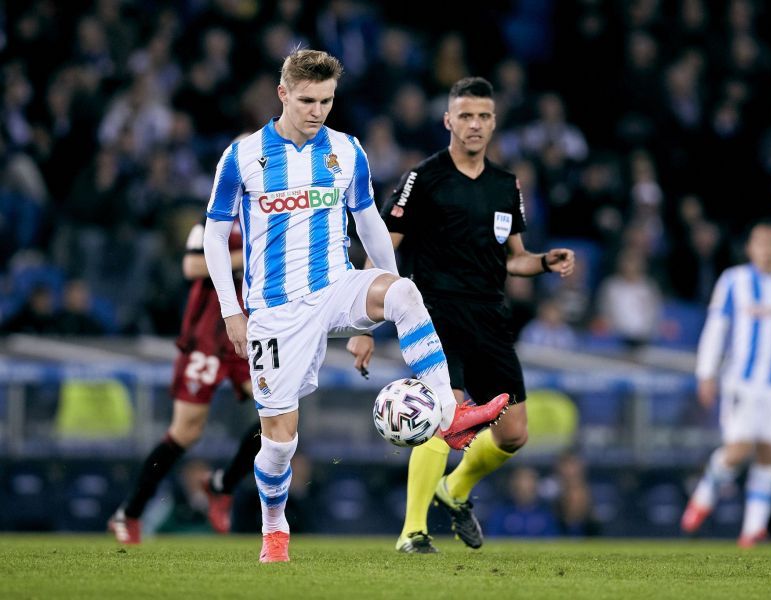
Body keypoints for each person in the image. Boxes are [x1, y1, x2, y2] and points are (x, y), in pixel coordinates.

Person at [202, 50, 509, 564]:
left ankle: (450, 414)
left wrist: (379, 306)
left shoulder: (346, 151)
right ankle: (274, 528)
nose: (317, 110)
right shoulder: (243, 156)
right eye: (306, 100)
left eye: (326, 100)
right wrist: (231, 310)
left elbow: (368, 224)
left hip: (336, 284)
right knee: (279, 442)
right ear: (283, 94)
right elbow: (215, 235)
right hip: (276, 309)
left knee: (407, 293)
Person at [349, 76, 574, 553]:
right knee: (442, 411)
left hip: (491, 317)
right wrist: (364, 323)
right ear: (448, 120)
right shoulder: (423, 178)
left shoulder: (504, 185)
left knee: (513, 434)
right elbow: (381, 246)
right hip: (434, 315)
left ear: (494, 123)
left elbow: (513, 257)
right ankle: (413, 531)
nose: (475, 125)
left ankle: (455, 490)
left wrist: (541, 262)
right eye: (466, 116)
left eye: (484, 116)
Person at [108, 219, 262, 544]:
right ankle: (130, 512)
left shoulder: (275, 217)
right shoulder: (214, 222)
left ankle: (222, 484)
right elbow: (192, 266)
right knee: (186, 431)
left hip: (251, 334)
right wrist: (250, 251)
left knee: (277, 416)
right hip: (208, 336)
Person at [681, 220, 771, 547]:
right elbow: (716, 327)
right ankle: (703, 496)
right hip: (742, 381)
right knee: (738, 450)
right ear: (751, 248)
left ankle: (752, 530)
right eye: (762, 244)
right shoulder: (734, 281)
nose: (768, 251)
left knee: (769, 451)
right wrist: (706, 372)